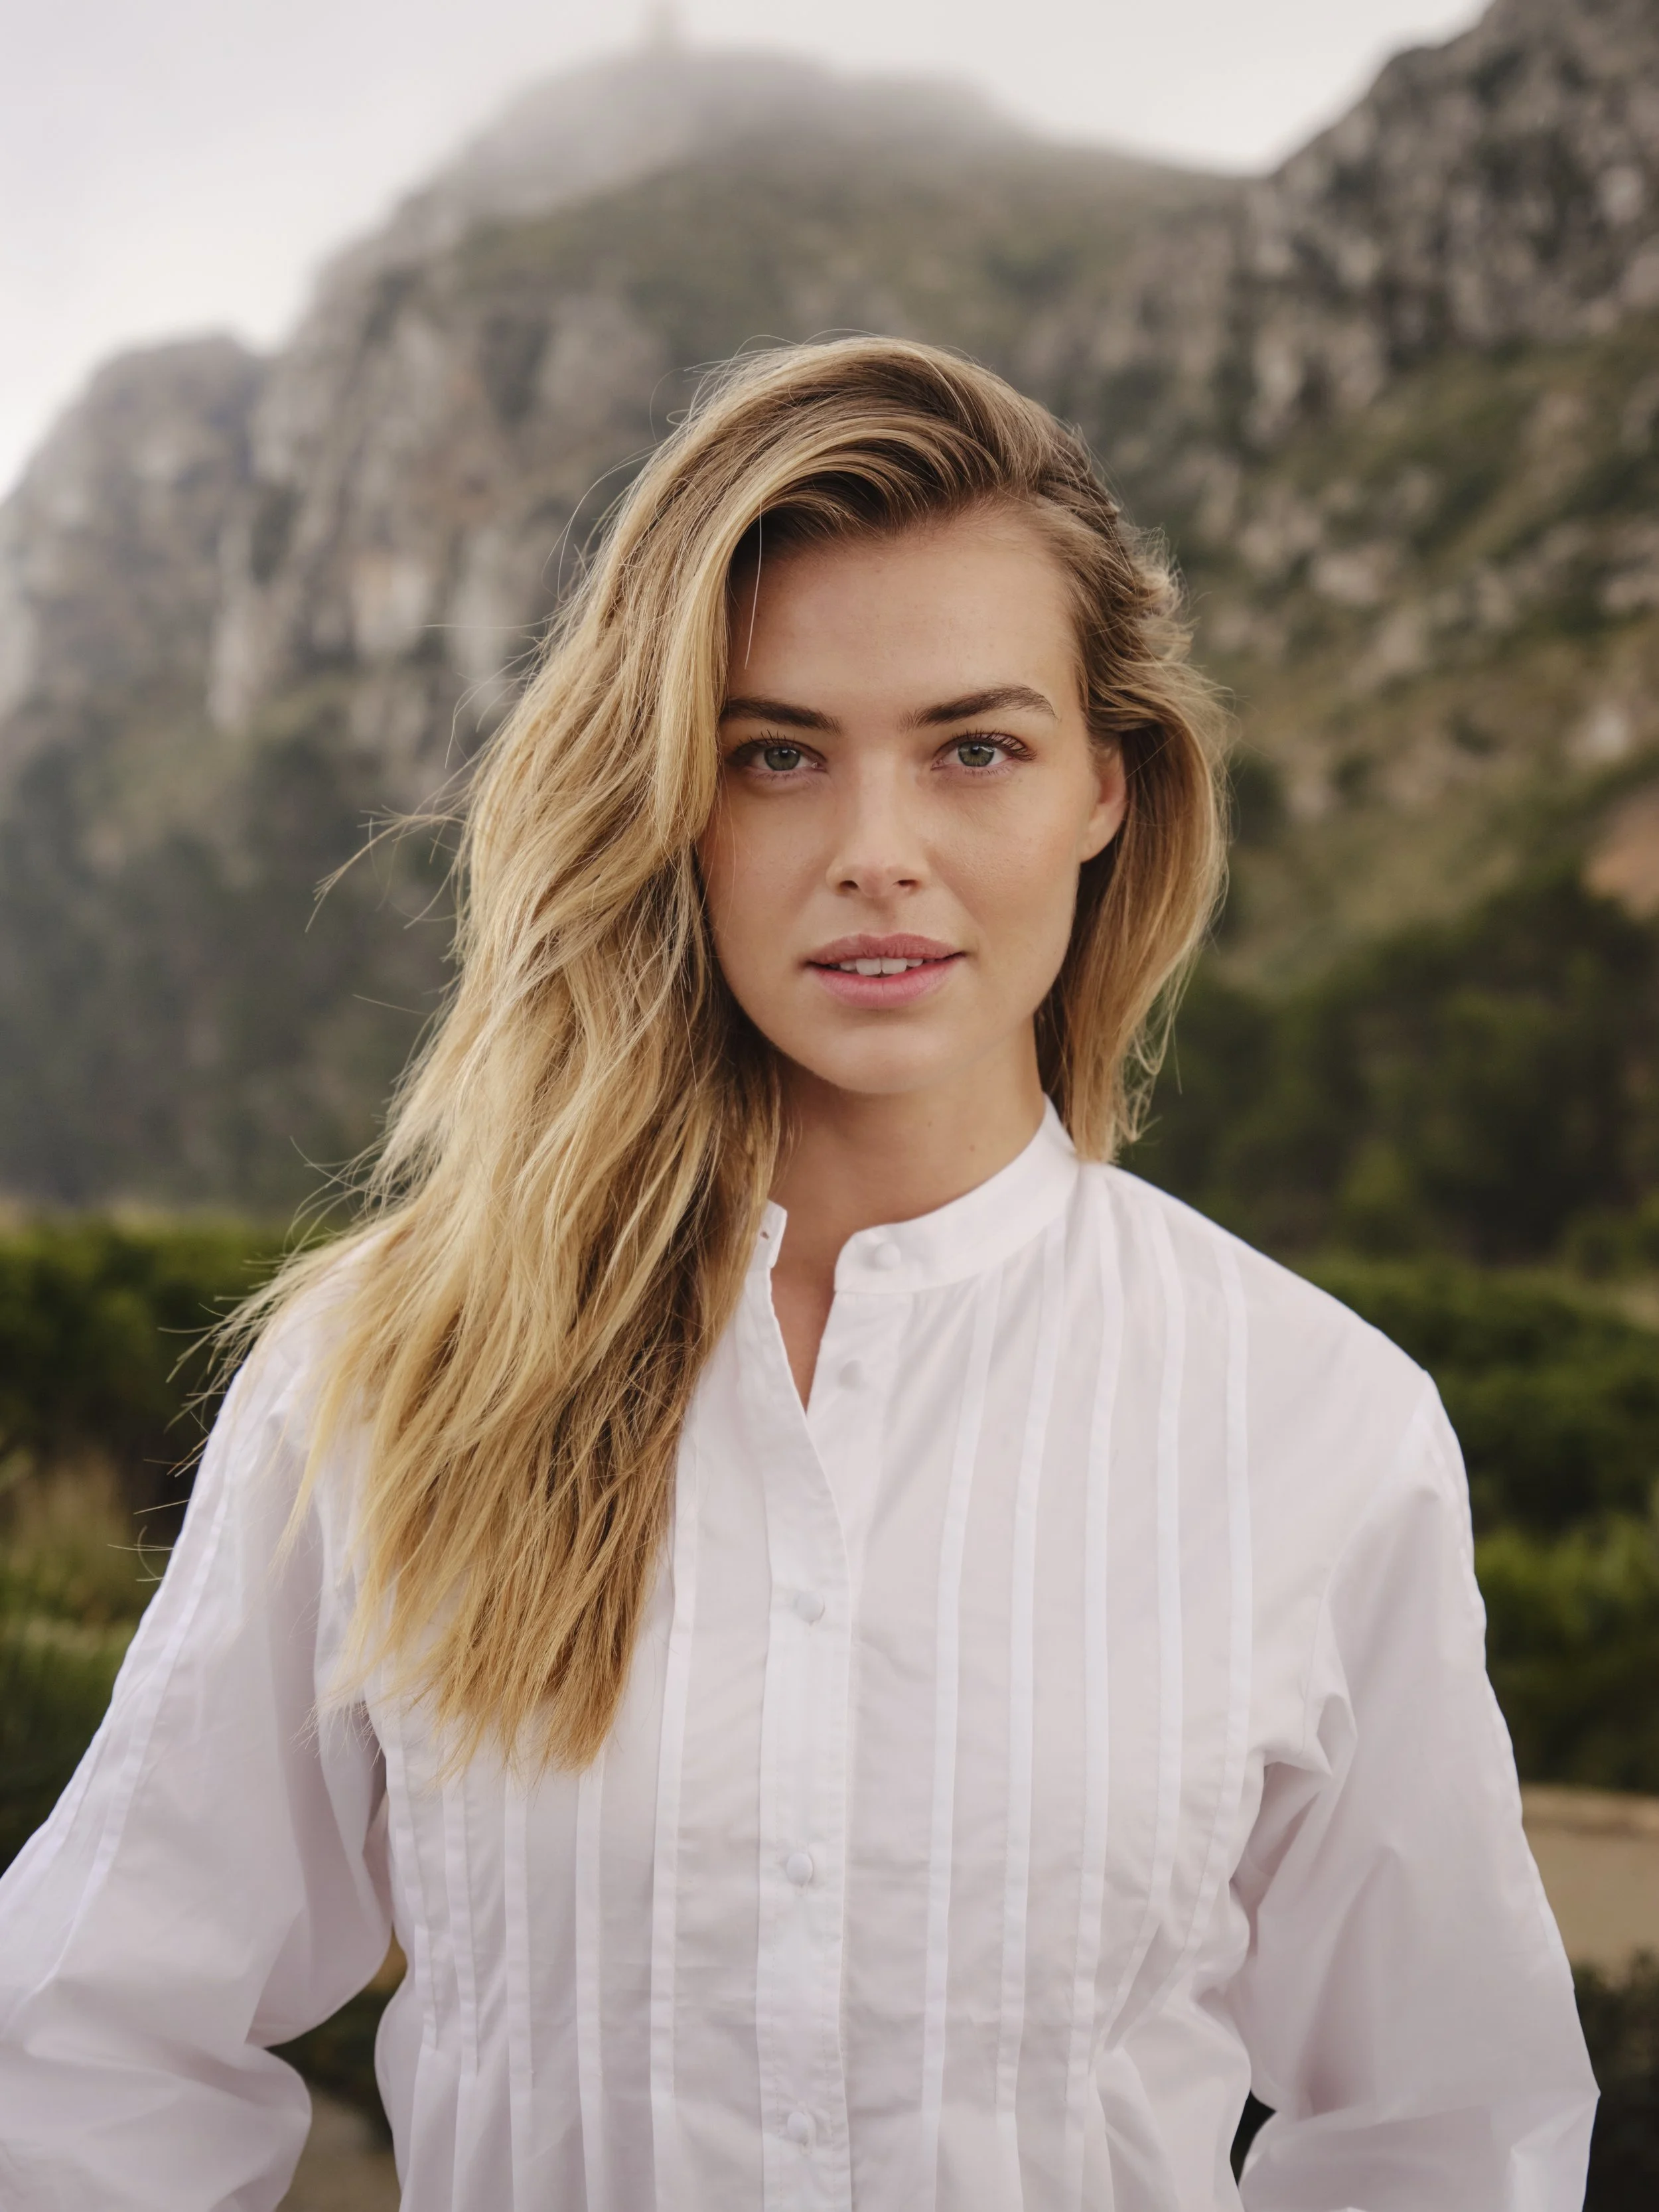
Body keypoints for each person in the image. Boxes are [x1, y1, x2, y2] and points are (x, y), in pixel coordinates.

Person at [0, 338, 1595, 2209]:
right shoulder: (388, 1367)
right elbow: (86, 2045)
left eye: (973, 747)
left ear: (1108, 784)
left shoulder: (1318, 1421)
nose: (875, 856)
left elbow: (1444, 2128)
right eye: (774, 755)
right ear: (671, 794)